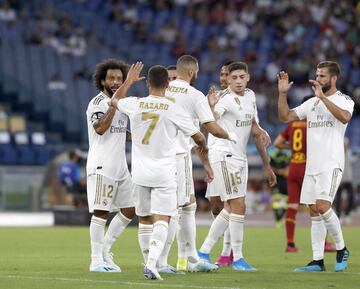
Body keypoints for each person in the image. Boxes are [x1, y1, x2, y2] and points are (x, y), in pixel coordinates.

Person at [110, 65, 212, 280]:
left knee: (145, 219)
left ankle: (147, 260)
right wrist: (201, 143)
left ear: (147, 83)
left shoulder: (135, 104)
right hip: (164, 172)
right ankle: (153, 263)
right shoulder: (173, 108)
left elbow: (114, 101)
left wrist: (128, 81)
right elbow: (198, 135)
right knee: (164, 218)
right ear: (168, 84)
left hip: (139, 173)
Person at [198, 61, 277, 271]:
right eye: (234, 78)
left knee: (230, 207)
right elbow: (211, 120)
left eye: (242, 77)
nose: (239, 81)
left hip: (240, 156)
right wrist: (212, 108)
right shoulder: (224, 99)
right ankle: (238, 258)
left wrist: (261, 131)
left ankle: (203, 251)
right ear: (228, 80)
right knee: (238, 205)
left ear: (248, 77)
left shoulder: (250, 96)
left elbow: (252, 123)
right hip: (224, 154)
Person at [277, 61, 354, 272]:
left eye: (322, 76)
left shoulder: (344, 100)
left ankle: (342, 248)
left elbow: (345, 117)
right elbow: (285, 117)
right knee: (313, 210)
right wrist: (283, 94)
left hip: (331, 163)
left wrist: (323, 98)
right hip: (312, 165)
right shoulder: (311, 103)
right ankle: (317, 260)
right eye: (317, 75)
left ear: (333, 79)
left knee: (322, 206)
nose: (317, 79)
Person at [162, 55, 236, 273]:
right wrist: (230, 135)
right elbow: (210, 129)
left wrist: (205, 164)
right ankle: (165, 261)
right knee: (177, 208)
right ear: (193, 72)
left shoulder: (162, 90)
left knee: (188, 205)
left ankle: (189, 257)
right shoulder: (194, 96)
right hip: (178, 154)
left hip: (159, 155)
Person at [86, 59, 142, 272]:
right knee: (101, 212)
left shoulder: (122, 103)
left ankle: (105, 250)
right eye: (112, 78)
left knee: (130, 209)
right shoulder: (97, 103)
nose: (116, 82)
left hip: (120, 166)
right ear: (102, 81)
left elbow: (120, 132)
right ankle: (95, 260)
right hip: (102, 165)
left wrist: (139, 136)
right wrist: (122, 92)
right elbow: (101, 128)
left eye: (120, 78)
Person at [274, 95, 336, 252]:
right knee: (320, 205)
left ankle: (290, 243)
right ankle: (325, 243)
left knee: (292, 206)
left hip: (293, 167)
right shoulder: (313, 125)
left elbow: (277, 143)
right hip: (309, 168)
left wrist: (293, 149)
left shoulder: (293, 124)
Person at [334, 138, 354, 224]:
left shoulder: (349, 154)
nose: (345, 146)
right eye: (343, 144)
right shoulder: (337, 154)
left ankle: (347, 214)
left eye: (346, 144)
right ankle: (338, 216)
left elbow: (354, 160)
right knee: (338, 199)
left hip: (348, 180)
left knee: (351, 197)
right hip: (339, 180)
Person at [269, 148, 290, 227]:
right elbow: (269, 168)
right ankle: (278, 220)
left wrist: (284, 172)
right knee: (276, 200)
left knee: (287, 201)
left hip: (285, 181)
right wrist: (279, 171)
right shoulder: (273, 156)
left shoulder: (287, 156)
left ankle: (280, 219)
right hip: (276, 181)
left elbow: (289, 168)